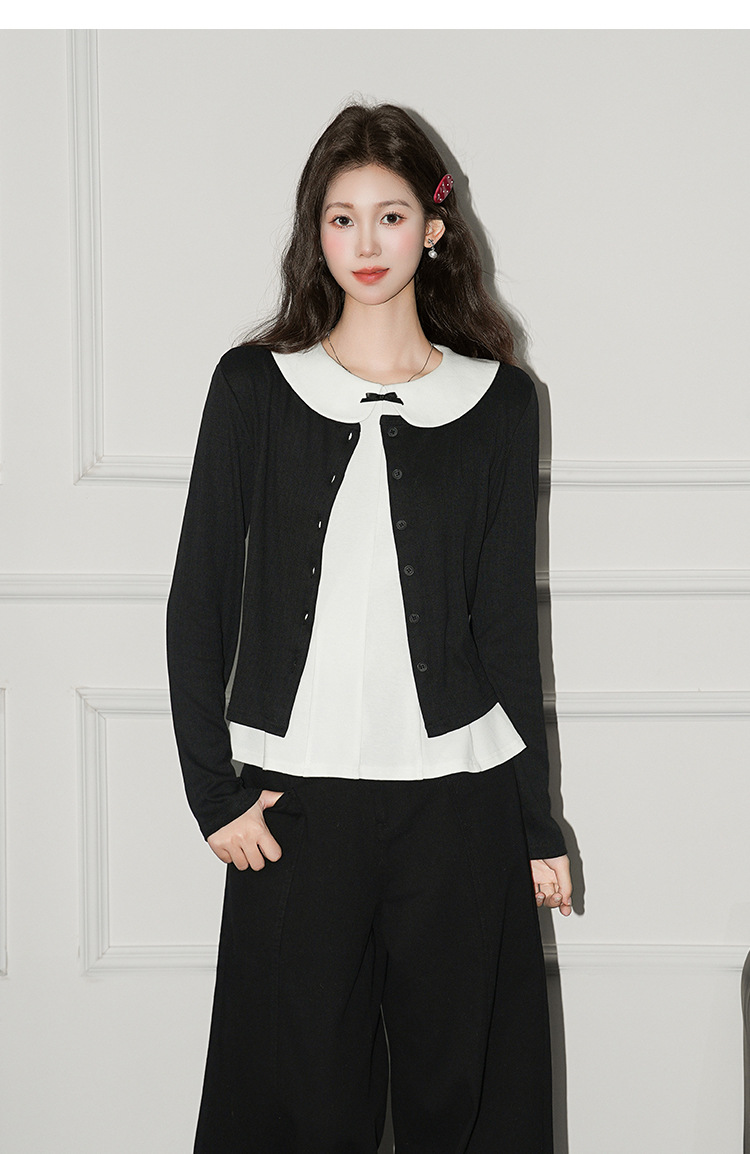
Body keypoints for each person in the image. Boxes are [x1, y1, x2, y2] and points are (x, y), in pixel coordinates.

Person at [167, 101, 572, 1154]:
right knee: (295, 1105)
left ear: (433, 227)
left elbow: (504, 628)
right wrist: (212, 790)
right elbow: (199, 596)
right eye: (340, 218)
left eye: (389, 216)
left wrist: (536, 823)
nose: (365, 242)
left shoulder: (501, 402)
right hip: (296, 806)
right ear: (316, 232)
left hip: (461, 806)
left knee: (466, 1100)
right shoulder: (254, 387)